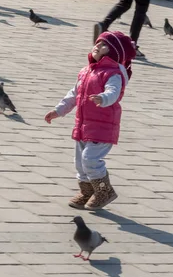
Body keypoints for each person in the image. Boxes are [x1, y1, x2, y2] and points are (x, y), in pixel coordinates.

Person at [44, 31, 136, 211]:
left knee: (90, 159)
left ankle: (104, 191)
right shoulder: (86, 71)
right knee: (80, 162)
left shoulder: (113, 74)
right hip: (83, 125)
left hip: (103, 126)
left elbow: (114, 92)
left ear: (114, 53)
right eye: (97, 43)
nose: (97, 46)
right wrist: (59, 110)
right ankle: (87, 192)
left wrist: (103, 98)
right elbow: (73, 95)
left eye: (104, 45)